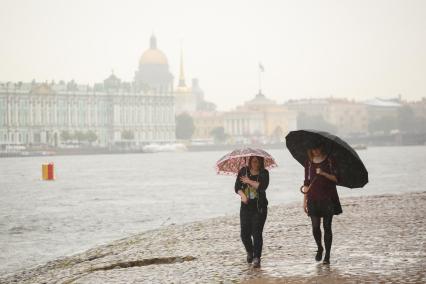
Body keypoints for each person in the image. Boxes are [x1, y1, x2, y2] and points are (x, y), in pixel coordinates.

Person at [301, 141, 342, 264]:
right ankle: (319, 247)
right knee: (315, 227)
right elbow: (307, 182)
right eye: (313, 148)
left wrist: (323, 173)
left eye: (317, 147)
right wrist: (304, 200)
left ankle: (327, 256)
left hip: (328, 198)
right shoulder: (308, 162)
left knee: (327, 227)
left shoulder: (330, 160)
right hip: (313, 198)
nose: (315, 150)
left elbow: (336, 179)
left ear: (321, 146)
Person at [234, 156, 269, 268]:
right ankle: (250, 251)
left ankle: (257, 258)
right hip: (245, 208)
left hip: (259, 208)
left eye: (258, 161)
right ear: (250, 161)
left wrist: (248, 180)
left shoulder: (264, 173)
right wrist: (242, 195)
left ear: (261, 162)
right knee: (244, 234)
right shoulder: (243, 171)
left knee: (256, 233)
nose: (255, 163)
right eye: (253, 161)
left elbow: (262, 186)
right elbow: (237, 187)